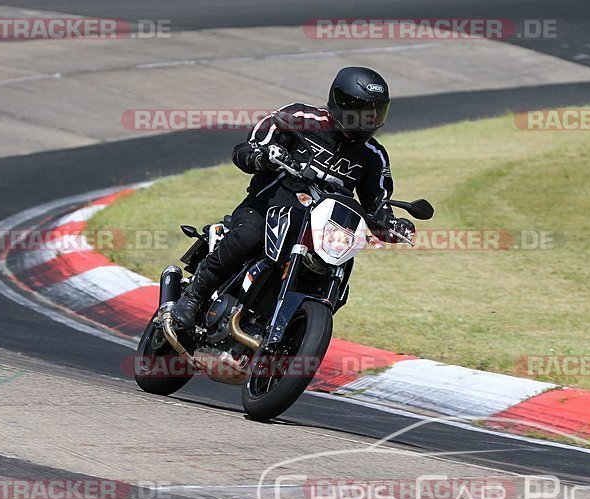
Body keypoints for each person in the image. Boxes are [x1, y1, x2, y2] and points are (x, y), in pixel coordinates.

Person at [171, 66, 416, 330]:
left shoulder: (373, 156)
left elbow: (376, 204)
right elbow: (248, 148)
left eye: (375, 114)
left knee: (340, 267)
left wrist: (393, 225)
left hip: (321, 231)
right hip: (267, 207)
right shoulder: (301, 119)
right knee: (248, 236)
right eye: (361, 112)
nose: (368, 120)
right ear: (340, 102)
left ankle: (292, 331)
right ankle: (194, 296)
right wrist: (261, 156)